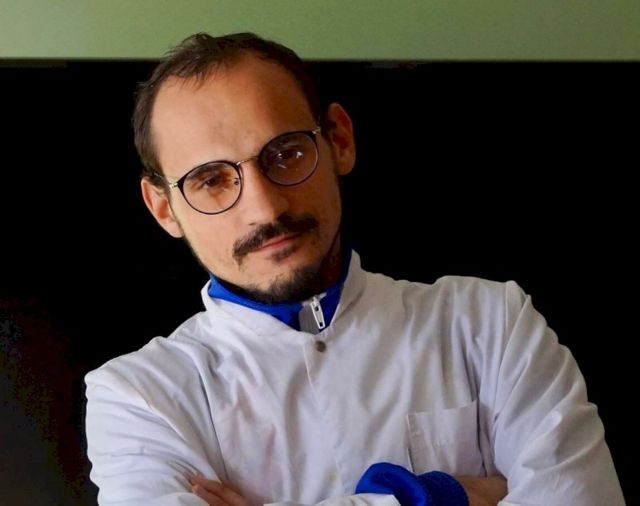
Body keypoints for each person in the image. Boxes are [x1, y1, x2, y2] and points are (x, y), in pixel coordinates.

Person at [85, 32, 624, 506]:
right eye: (211, 180)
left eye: (286, 154)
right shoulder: (138, 397)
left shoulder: (492, 324)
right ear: (163, 208)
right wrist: (436, 496)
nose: (265, 209)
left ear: (339, 140)